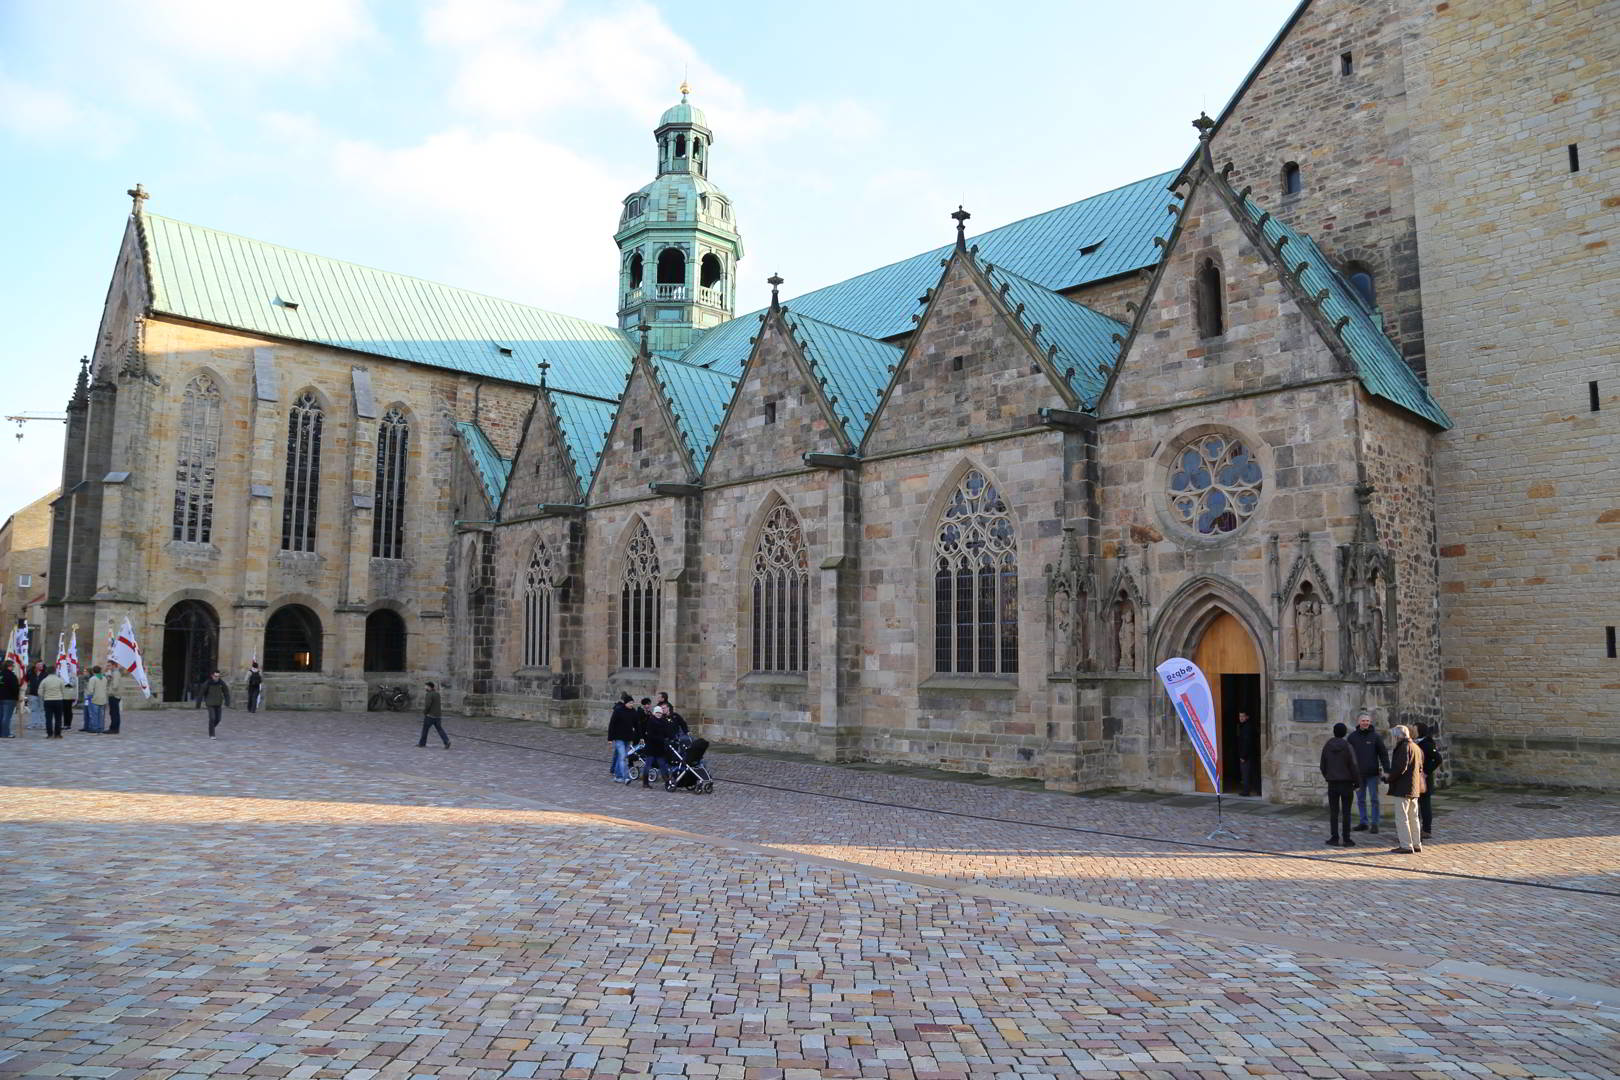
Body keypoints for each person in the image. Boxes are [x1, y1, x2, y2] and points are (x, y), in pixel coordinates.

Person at [1318, 722, 1361, 846]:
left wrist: (1328, 776)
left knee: (1334, 812)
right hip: (1346, 783)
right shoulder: (1348, 746)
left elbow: (1322, 765)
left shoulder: (1327, 746)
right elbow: (1354, 766)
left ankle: (1334, 837)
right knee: (1346, 812)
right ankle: (1346, 839)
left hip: (1333, 783)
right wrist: (1357, 782)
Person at [1346, 711, 1389, 833]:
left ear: (1370, 722)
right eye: (1363, 721)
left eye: (1367, 721)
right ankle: (1363, 822)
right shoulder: (1352, 737)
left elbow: (1383, 754)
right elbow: (1347, 755)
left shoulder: (1375, 737)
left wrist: (1387, 770)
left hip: (1372, 775)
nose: (1365, 723)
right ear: (1358, 722)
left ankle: (1375, 823)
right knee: (1360, 800)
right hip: (1358, 775)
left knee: (1374, 799)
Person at [1385, 724, 1426, 854]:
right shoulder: (1415, 747)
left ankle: (1406, 845)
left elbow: (1401, 768)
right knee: (1413, 817)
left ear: (1397, 736)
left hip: (1403, 788)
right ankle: (1416, 843)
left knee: (1402, 818)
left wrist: (1389, 778)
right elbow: (1420, 767)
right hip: (1414, 788)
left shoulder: (1404, 747)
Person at [639, 703, 675, 789]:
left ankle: (667, 782)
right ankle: (645, 782)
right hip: (651, 747)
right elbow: (650, 735)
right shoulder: (651, 722)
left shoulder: (664, 721)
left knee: (662, 765)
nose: (659, 714)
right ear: (654, 713)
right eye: (657, 713)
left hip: (660, 748)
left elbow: (667, 732)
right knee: (648, 765)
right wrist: (661, 739)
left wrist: (670, 737)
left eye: (660, 713)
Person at [1416, 722, 1442, 839]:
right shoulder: (1417, 742)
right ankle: (1416, 828)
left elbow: (1438, 759)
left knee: (1425, 805)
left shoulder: (1426, 744)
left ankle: (1427, 829)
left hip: (1424, 779)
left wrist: (1426, 772)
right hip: (1416, 779)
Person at [608, 692, 639, 782]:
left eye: (632, 703)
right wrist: (610, 738)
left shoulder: (634, 712)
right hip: (619, 738)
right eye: (630, 703)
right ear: (625, 703)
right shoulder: (618, 711)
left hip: (628, 738)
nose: (632, 704)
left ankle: (618, 776)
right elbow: (612, 724)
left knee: (621, 757)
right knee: (622, 757)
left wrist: (640, 736)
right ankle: (626, 777)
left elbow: (637, 725)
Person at [1234, 710, 1260, 796]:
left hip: (1247, 755)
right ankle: (1259, 790)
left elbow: (1247, 742)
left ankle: (1246, 791)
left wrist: (1243, 756)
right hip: (1251, 754)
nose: (1240, 718)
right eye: (1240, 716)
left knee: (1246, 773)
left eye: (1242, 716)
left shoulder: (1247, 727)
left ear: (1247, 717)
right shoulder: (1245, 726)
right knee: (1252, 773)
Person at [417, 681, 450, 748]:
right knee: (440, 729)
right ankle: (446, 741)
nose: (425, 687)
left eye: (426, 686)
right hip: (438, 716)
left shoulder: (429, 694)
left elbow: (427, 705)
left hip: (430, 716)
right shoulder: (437, 694)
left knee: (425, 730)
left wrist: (425, 712)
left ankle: (422, 743)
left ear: (429, 687)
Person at [39, 667, 69, 738]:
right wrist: (61, 696)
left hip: (48, 700)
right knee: (58, 718)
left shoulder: (44, 680)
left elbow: (40, 691)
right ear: (55, 671)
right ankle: (57, 734)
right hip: (58, 700)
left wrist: (44, 697)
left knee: (48, 718)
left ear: (47, 672)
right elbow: (64, 690)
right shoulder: (60, 680)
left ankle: (49, 734)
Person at [201, 670, 230, 737]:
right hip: (210, 703)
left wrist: (227, 702)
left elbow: (226, 692)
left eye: (218, 676)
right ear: (212, 676)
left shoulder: (221, 683)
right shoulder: (208, 683)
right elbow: (202, 692)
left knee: (218, 719)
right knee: (212, 718)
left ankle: (211, 728)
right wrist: (198, 703)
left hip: (218, 703)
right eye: (215, 676)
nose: (217, 678)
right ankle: (212, 734)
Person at [82, 665, 108, 733]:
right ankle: (101, 728)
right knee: (101, 715)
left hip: (94, 698)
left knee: (94, 714)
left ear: (93, 671)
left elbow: (90, 690)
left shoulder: (93, 679)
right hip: (103, 698)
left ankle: (95, 728)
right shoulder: (104, 678)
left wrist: (88, 696)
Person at [25, 661, 46, 731]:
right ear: (36, 665)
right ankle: (33, 723)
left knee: (42, 709)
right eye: (39, 664)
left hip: (43, 694)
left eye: (42, 665)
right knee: (34, 709)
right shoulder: (30, 672)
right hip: (33, 694)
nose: (41, 666)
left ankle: (43, 724)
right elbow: (25, 680)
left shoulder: (45, 673)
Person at [0, 660, 17, 738]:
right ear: (9, 666)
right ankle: (5, 733)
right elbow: (14, 688)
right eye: (13, 666)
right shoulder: (11, 675)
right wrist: (16, 697)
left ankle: (1, 732)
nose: (13, 667)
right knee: (6, 717)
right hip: (9, 698)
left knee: (1, 716)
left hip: (1, 698)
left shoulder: (1, 674)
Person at [106, 665, 123, 735]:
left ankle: (114, 729)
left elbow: (115, 685)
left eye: (109, 665)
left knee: (114, 713)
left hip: (114, 695)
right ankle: (113, 727)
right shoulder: (114, 673)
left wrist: (109, 683)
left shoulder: (115, 673)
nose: (107, 666)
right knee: (113, 712)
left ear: (113, 665)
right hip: (113, 694)